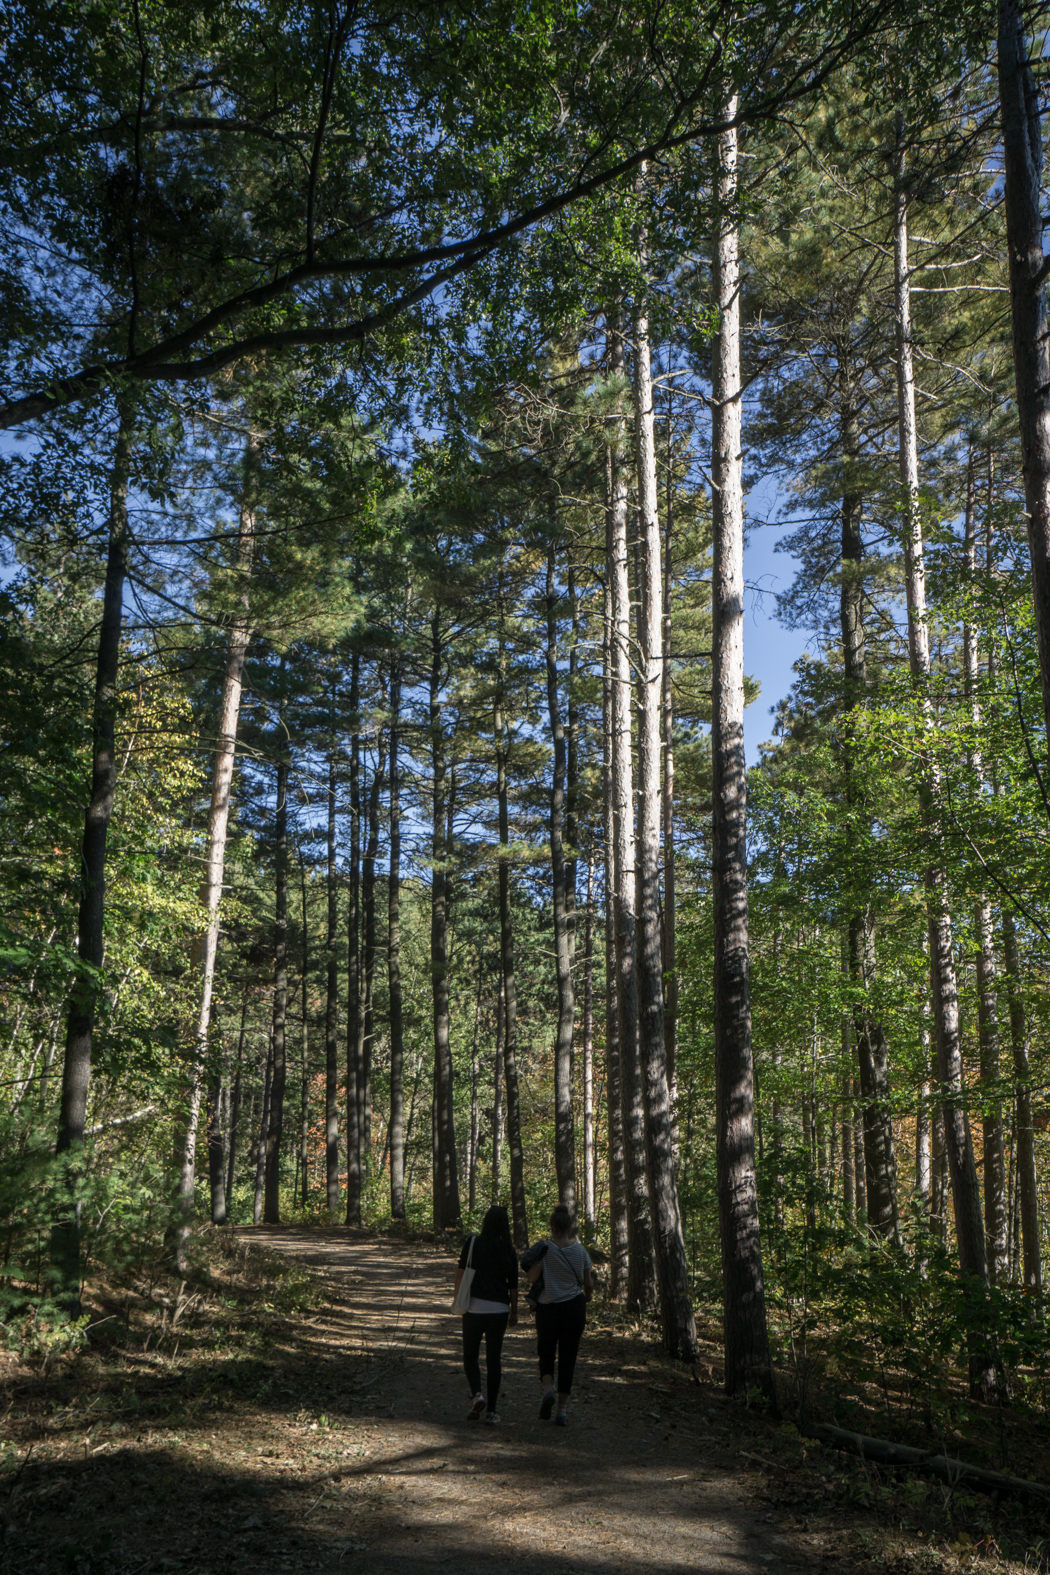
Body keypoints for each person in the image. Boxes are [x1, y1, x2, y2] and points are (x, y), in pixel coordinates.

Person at [524, 1202, 593, 1428]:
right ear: (569, 1226)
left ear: (552, 1227)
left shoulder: (546, 1250)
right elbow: (588, 1282)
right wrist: (588, 1296)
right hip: (574, 1308)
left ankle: (547, 1390)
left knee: (546, 1352)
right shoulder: (581, 1251)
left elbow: (531, 1279)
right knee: (568, 1357)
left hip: (548, 1309)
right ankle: (562, 1411)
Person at [453, 1205, 518, 1424]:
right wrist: (514, 1311)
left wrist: (457, 1301)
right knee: (494, 1360)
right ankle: (491, 1411)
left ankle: (477, 1395)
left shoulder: (473, 1243)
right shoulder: (508, 1249)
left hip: (473, 1308)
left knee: (470, 1355)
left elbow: (460, 1275)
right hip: (499, 1310)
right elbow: (513, 1287)